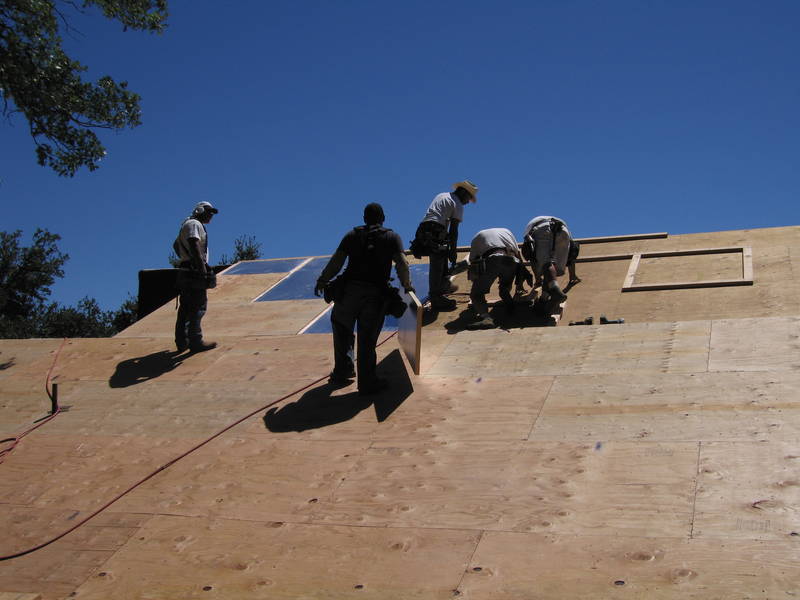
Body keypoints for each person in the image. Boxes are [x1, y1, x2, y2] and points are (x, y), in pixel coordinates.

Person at [314, 203, 414, 395]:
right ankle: (367, 383)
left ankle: (343, 370)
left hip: (348, 292)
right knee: (367, 338)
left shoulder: (352, 235)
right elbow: (402, 263)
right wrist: (407, 286)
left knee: (342, 328)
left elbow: (337, 261)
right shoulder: (391, 237)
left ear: (364, 218)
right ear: (383, 217)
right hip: (374, 295)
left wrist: (323, 280)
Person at [411, 180, 477, 310]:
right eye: (469, 197)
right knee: (438, 262)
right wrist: (453, 250)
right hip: (436, 230)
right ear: (463, 192)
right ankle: (436, 297)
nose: (468, 201)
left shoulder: (442, 195)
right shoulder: (457, 203)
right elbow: (453, 230)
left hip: (423, 230)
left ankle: (442, 286)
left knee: (439, 260)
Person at [173, 201, 218, 353]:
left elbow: (175, 245)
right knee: (198, 307)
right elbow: (194, 245)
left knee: (185, 307)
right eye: (209, 211)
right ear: (199, 210)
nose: (211, 215)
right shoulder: (194, 224)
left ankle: (182, 342)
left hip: (186, 270)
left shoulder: (187, 224)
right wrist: (202, 270)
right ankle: (195, 341)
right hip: (193, 272)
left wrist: (184, 259)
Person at [466, 227, 529, 330]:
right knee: (504, 286)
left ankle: (486, 319)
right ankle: (506, 296)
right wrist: (519, 283)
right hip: (511, 260)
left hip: (492, 259)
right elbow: (518, 256)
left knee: (476, 295)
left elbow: (473, 263)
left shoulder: (477, 236)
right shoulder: (507, 231)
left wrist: (477, 283)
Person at [521, 216, 573, 303]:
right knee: (553, 269)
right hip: (564, 231)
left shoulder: (530, 231)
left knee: (545, 264)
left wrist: (538, 280)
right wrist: (572, 275)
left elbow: (533, 259)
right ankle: (544, 298)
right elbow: (571, 257)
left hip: (543, 229)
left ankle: (554, 289)